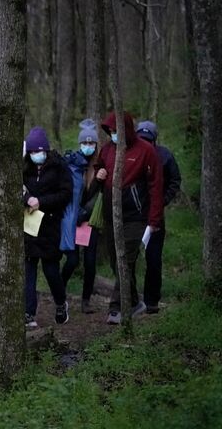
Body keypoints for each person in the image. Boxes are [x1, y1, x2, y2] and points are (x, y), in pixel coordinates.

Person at [95, 112, 163, 324]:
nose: (114, 135)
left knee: (127, 260)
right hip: (111, 216)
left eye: (117, 131)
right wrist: (100, 173)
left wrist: (154, 221)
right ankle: (135, 301)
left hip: (136, 216)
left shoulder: (146, 151)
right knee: (116, 262)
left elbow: (156, 187)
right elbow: (99, 167)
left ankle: (116, 307)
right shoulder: (107, 149)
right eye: (111, 132)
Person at [23, 126, 72, 328]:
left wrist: (41, 201)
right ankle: (28, 313)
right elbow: (17, 188)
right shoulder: (24, 167)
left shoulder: (59, 166)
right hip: (28, 225)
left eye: (39, 151)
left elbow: (65, 194)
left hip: (50, 225)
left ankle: (61, 304)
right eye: (33, 152)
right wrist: (27, 199)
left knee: (51, 270)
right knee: (29, 270)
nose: (36, 155)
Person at [136, 120, 181, 314]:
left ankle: (151, 300)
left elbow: (175, 180)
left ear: (154, 140)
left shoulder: (165, 156)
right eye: (141, 139)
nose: (145, 143)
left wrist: (162, 201)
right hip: (133, 215)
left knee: (153, 259)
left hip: (155, 216)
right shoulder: (130, 154)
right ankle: (128, 298)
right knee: (127, 258)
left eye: (148, 139)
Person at [60, 119, 102, 314]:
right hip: (73, 220)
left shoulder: (100, 166)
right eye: (84, 143)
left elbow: (99, 195)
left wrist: (87, 212)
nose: (87, 146)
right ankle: (59, 289)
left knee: (90, 262)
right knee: (72, 260)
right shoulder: (73, 164)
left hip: (91, 220)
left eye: (91, 143)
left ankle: (86, 300)